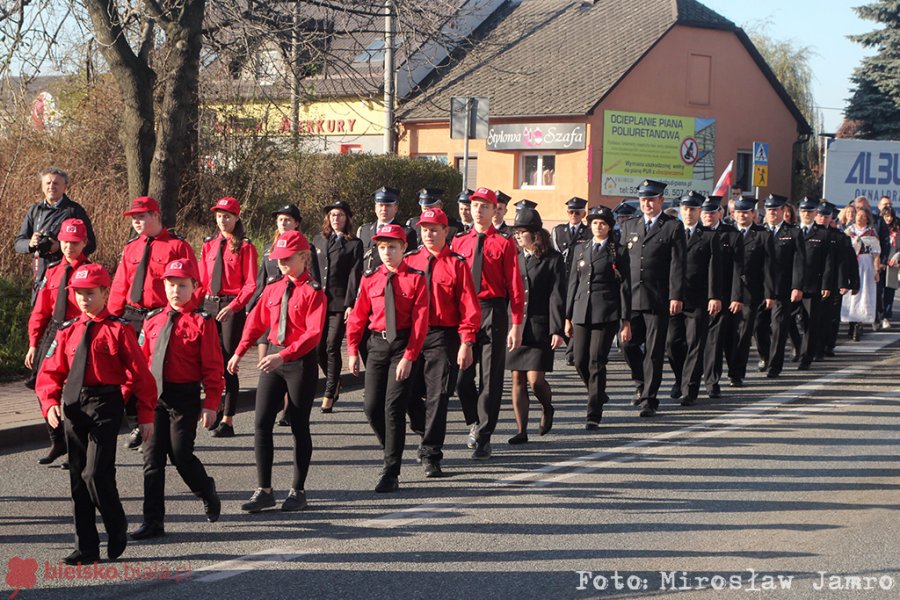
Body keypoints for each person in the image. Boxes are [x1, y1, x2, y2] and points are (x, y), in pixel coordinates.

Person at [35, 263, 156, 565]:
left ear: (105, 292)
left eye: (90, 293)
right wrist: (49, 401)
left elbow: (141, 375)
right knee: (78, 478)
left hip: (105, 403)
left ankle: (116, 524)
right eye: (79, 294)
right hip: (74, 404)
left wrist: (145, 415)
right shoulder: (67, 331)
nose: (84, 299)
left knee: (95, 472)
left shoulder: (119, 329)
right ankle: (86, 546)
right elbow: (51, 371)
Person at [228, 230, 327, 513]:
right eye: (278, 259)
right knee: (261, 423)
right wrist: (239, 351)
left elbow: (313, 333)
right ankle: (265, 490)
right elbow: (255, 323)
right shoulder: (273, 288)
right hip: (273, 358)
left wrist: (283, 355)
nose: (281, 264)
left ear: (303, 257)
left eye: (287, 259)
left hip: (298, 362)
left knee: (298, 425)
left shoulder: (314, 292)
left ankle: (298, 490)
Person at [131, 258, 223, 540]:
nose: (175, 291)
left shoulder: (202, 322)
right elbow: (140, 360)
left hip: (184, 397)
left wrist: (211, 403)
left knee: (181, 454)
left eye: (182, 285)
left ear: (194, 287)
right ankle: (153, 521)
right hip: (155, 397)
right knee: (152, 459)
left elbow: (213, 366)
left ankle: (205, 488)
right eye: (171, 285)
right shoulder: (153, 319)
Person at [346, 224, 429, 492]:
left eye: (392, 247)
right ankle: (392, 448)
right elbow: (358, 317)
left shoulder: (416, 278)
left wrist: (409, 356)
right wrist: (351, 351)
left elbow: (420, 322)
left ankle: (391, 471)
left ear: (404, 248)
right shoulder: (370, 278)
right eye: (382, 247)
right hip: (377, 345)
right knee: (371, 407)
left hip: (403, 345)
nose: (387, 252)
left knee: (393, 408)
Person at [109, 196, 195, 450]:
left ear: (156, 216)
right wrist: (114, 318)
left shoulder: (176, 246)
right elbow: (120, 284)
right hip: (133, 315)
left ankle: (160, 422)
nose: (137, 221)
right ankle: (137, 422)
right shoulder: (132, 247)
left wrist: (183, 315)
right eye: (134, 217)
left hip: (161, 315)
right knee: (130, 372)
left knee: (153, 371)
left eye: (142, 216)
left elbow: (193, 283)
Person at [404, 209, 480, 476]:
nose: (428, 234)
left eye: (434, 229)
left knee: (438, 395)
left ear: (446, 231)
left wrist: (466, 342)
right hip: (411, 335)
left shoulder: (457, 264)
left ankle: (431, 452)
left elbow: (469, 307)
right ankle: (424, 429)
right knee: (408, 393)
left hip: (442, 336)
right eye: (424, 229)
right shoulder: (410, 261)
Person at [453, 187, 525, 459]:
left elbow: (515, 287)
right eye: (475, 206)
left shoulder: (504, 244)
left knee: (491, 378)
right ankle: (474, 420)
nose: (479, 211)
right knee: (461, 377)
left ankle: (484, 435)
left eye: (485, 206)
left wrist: (516, 323)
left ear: (495, 210)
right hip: (464, 312)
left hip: (492, 310)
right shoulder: (459, 241)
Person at [25, 218, 91, 465]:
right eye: (65, 242)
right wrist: (33, 343)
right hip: (55, 332)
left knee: (76, 392)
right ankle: (58, 440)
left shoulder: (91, 272)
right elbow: (40, 311)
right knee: (42, 383)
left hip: (80, 330)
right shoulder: (52, 271)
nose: (69, 247)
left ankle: (78, 448)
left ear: (84, 243)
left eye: (74, 242)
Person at [619, 179, 685, 417]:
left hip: (658, 298)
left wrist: (675, 295)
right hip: (633, 298)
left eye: (651, 199)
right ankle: (640, 378)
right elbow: (622, 263)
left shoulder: (672, 227)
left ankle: (649, 398)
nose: (647, 203)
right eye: (643, 199)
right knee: (627, 344)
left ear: (661, 200)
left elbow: (678, 264)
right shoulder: (630, 226)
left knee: (655, 351)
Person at [565, 206, 631, 429]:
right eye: (594, 223)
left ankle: (593, 413)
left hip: (606, 312)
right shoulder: (581, 249)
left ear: (610, 227)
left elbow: (625, 287)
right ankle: (598, 392)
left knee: (596, 361)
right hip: (582, 311)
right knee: (579, 359)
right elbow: (573, 283)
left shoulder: (617, 251)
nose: (598, 226)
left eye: (602, 223)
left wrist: (625, 320)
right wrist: (567, 317)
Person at [506, 207, 566, 443]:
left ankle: (547, 406)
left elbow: (557, 295)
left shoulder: (553, 259)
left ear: (536, 234)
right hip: (517, 327)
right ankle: (521, 431)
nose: (518, 236)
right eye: (516, 232)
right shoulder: (515, 258)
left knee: (535, 380)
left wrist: (557, 329)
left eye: (522, 232)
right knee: (517, 378)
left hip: (540, 327)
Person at [200, 197, 259, 438]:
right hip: (208, 305)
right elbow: (202, 280)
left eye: (227, 216)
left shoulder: (245, 247)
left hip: (230, 309)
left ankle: (228, 419)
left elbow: (250, 284)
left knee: (228, 364)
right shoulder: (209, 245)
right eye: (219, 216)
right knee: (208, 363)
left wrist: (234, 307)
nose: (222, 220)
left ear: (236, 218)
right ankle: (214, 410)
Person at [246, 205, 302, 426]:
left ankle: (288, 408)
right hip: (270, 306)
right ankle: (269, 396)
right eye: (280, 220)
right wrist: (252, 305)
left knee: (286, 356)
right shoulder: (270, 248)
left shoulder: (302, 248)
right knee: (264, 354)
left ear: (296, 223)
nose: (283, 223)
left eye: (288, 220)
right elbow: (261, 280)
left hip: (292, 310)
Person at [665, 192, 721, 406]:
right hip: (673, 297)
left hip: (698, 298)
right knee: (672, 343)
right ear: (680, 210)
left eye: (693, 209)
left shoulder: (708, 236)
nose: (688, 213)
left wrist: (714, 296)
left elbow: (713, 268)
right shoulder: (671, 232)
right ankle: (680, 378)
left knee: (695, 343)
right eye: (685, 209)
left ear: (699, 211)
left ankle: (690, 389)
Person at [309, 200, 363, 413]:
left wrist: (350, 303)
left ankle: (330, 392)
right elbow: (313, 271)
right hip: (319, 302)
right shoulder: (318, 240)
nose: (336, 219)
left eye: (340, 215)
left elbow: (354, 275)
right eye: (332, 215)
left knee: (332, 345)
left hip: (340, 303)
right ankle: (336, 381)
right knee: (318, 348)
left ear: (347, 218)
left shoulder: (354, 243)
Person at [15, 167, 96, 303]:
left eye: (56, 183)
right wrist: (30, 243)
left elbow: (91, 244)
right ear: (42, 187)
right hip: (40, 273)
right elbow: (18, 243)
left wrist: (61, 247)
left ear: (65, 187)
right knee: (39, 313)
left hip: (66, 274)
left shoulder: (74, 210)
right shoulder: (35, 210)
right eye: (48, 183)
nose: (51, 186)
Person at [756, 194, 804, 378]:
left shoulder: (793, 233)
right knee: (758, 325)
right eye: (769, 210)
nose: (772, 213)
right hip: (761, 288)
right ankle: (765, 356)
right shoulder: (759, 231)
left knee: (778, 327)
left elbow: (799, 262)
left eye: (775, 209)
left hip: (783, 288)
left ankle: (775, 366)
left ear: (783, 211)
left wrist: (797, 286)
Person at [726, 197, 771, 387]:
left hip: (750, 293)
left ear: (753, 214)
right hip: (727, 292)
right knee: (728, 335)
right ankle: (729, 366)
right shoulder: (727, 233)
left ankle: (737, 372)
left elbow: (768, 268)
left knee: (744, 335)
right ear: (733, 214)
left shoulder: (762, 235)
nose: (742, 215)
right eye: (739, 212)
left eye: (746, 212)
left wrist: (769, 294)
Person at [700, 196, 742, 399]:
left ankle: (712, 382)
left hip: (722, 296)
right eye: (705, 212)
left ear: (720, 213)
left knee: (715, 341)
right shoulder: (694, 233)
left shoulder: (732, 235)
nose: (708, 215)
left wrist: (736, 297)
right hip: (697, 296)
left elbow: (737, 269)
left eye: (712, 212)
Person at [795, 198, 836, 368]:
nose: (806, 214)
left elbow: (828, 262)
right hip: (792, 284)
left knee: (810, 322)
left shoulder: (823, 234)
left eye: (810, 212)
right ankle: (798, 347)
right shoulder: (792, 231)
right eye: (804, 211)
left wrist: (826, 284)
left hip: (813, 284)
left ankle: (806, 356)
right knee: (792, 321)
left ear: (815, 214)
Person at [842, 206, 881, 341]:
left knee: (863, 294)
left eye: (863, 216)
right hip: (851, 264)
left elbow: (876, 254)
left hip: (865, 264)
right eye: (859, 215)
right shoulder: (849, 231)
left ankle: (859, 324)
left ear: (867, 219)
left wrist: (876, 270)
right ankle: (851, 323)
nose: (860, 218)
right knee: (851, 294)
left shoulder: (871, 233)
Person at [881, 207, 900, 327]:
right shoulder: (877, 229)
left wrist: (897, 255)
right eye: (886, 216)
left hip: (893, 264)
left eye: (891, 216)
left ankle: (886, 317)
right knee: (879, 291)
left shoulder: (897, 230)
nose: (889, 218)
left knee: (889, 292)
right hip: (880, 263)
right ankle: (878, 315)